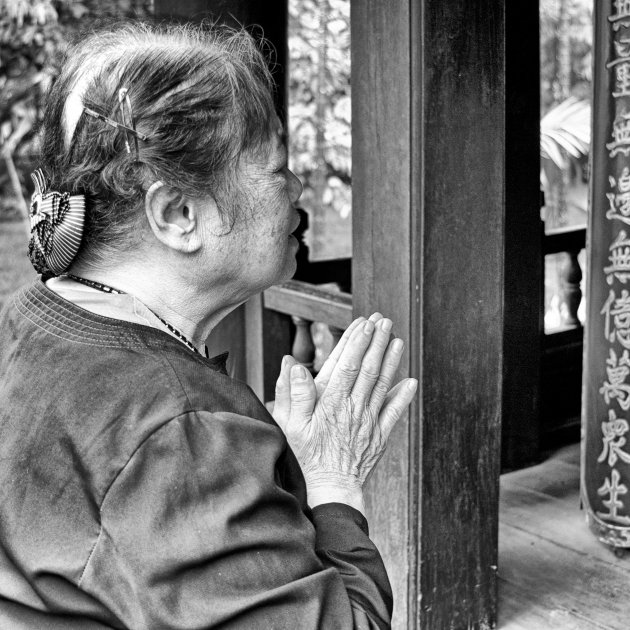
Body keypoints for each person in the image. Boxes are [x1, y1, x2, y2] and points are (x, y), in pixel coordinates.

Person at [0, 22, 418, 629]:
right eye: (278, 169)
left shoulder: (25, 318)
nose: (298, 188)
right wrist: (333, 488)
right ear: (178, 214)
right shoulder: (180, 430)